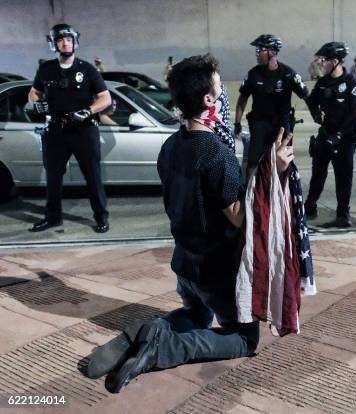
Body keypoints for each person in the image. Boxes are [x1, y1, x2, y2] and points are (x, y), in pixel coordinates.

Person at [84, 54, 294, 393]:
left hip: (185, 263)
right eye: (219, 85)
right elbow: (240, 217)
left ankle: (144, 333)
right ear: (209, 100)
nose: (224, 91)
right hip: (217, 271)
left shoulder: (169, 146)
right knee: (243, 338)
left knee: (195, 315)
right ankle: (165, 348)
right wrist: (274, 172)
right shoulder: (216, 154)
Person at [27, 24, 111, 233]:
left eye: (69, 39)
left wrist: (88, 111)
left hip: (83, 130)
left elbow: (105, 98)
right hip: (55, 131)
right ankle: (53, 217)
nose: (66, 43)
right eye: (61, 40)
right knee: (53, 178)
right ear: (53, 43)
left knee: (92, 175)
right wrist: (37, 103)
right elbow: (33, 92)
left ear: (75, 42)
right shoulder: (46, 69)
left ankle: (101, 217)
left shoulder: (87, 69)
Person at [304, 42, 356, 228]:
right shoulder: (323, 83)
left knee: (343, 178)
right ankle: (310, 207)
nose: (322, 63)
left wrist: (338, 136)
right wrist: (316, 114)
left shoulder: (352, 85)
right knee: (317, 175)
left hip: (344, 139)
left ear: (335, 61)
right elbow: (311, 100)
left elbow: (355, 116)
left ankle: (342, 215)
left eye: (325, 60)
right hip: (325, 135)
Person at [234, 34, 308, 178]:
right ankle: (251, 195)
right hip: (260, 123)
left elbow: (306, 94)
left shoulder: (288, 73)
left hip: (281, 124)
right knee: (253, 162)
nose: (256, 53)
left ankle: (284, 196)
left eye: (260, 49)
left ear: (272, 52)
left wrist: (318, 112)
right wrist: (237, 122)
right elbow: (242, 99)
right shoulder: (253, 74)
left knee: (284, 161)